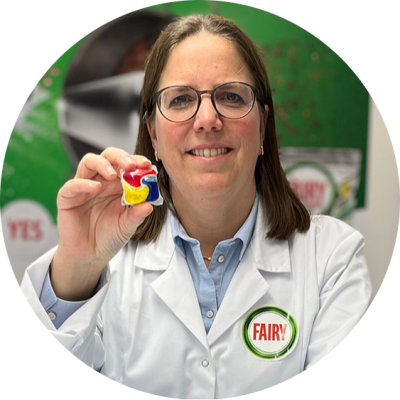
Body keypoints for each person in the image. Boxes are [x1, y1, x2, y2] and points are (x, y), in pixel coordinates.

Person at [20, 14, 372, 399]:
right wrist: (79, 267)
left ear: (262, 127)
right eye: (182, 99)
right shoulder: (106, 264)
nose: (207, 119)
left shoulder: (332, 260)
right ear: (153, 133)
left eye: (231, 96)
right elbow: (42, 386)